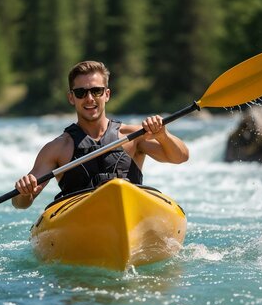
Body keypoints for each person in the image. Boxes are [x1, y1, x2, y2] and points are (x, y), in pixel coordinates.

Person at [12, 61, 189, 209]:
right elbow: (22, 204)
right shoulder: (57, 148)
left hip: (130, 212)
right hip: (80, 222)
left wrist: (163, 135)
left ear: (107, 94)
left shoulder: (134, 135)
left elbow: (180, 157)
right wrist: (24, 191)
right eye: (81, 93)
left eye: (96, 91)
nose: (89, 98)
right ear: (71, 98)